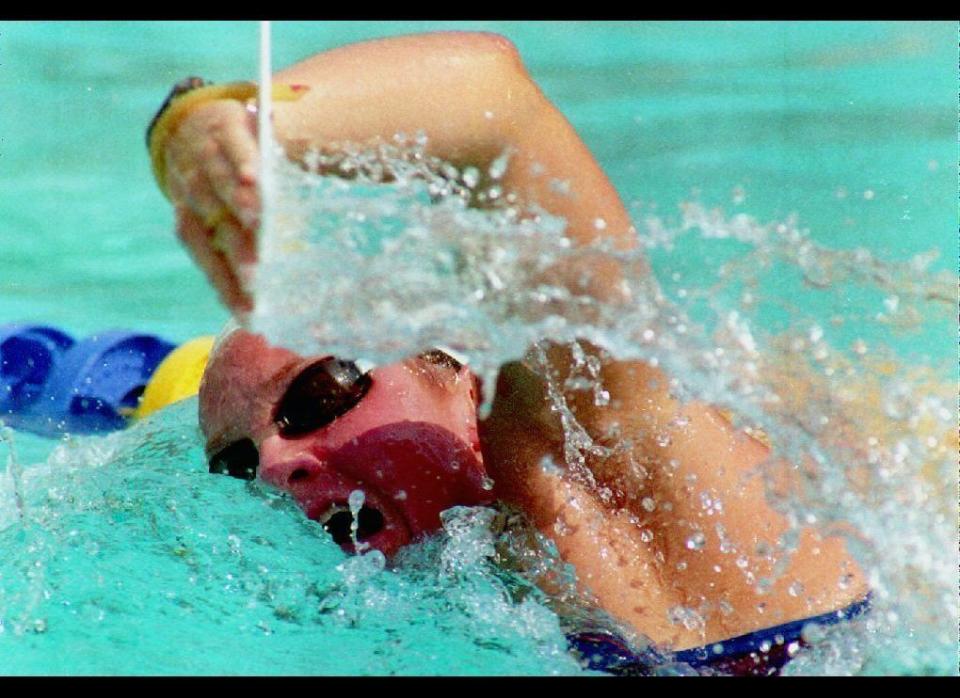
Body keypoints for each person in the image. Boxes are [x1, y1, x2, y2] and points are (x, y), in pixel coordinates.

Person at [149, 31, 870, 675]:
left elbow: (495, 105)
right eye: (239, 464)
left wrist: (219, 131)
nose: (275, 467)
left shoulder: (613, 450)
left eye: (320, 394)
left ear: (463, 371)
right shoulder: (470, 588)